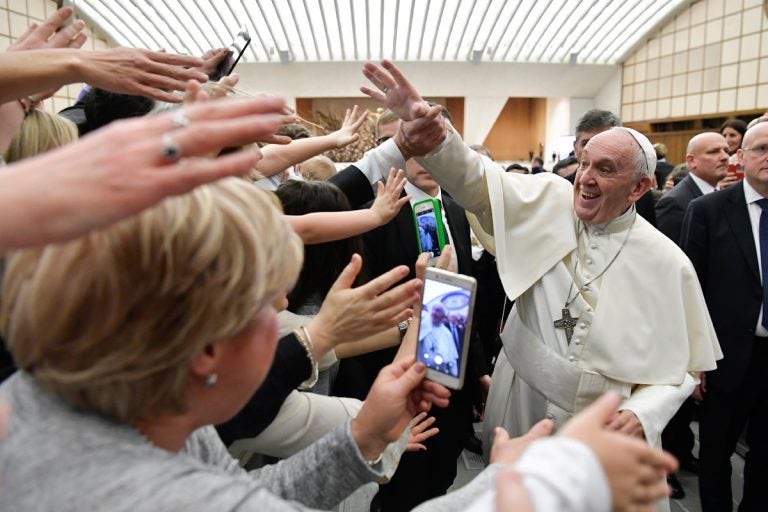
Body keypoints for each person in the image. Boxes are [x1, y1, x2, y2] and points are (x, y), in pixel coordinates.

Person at [359, 59, 722, 508]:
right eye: (584, 163)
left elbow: (683, 365)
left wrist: (641, 413)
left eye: (605, 170)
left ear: (640, 187)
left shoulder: (669, 261)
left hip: (600, 417)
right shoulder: (549, 197)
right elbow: (477, 180)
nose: (585, 178)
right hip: (520, 396)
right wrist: (436, 139)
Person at [680, 122, 768, 512]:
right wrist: (694, 359)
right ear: (742, 157)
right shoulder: (708, 211)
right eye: (762, 148)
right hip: (725, 356)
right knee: (716, 454)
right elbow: (689, 290)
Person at [656, 132, 730, 243]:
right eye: (713, 152)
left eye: (726, 151)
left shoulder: (728, 196)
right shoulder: (673, 202)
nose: (725, 157)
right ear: (691, 160)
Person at [418, 304, 460, 377]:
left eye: (437, 310)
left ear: (443, 316)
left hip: (440, 373)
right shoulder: (423, 322)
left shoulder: (447, 333)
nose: (433, 312)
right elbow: (407, 323)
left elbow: (452, 358)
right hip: (420, 369)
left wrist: (454, 375)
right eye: (433, 309)